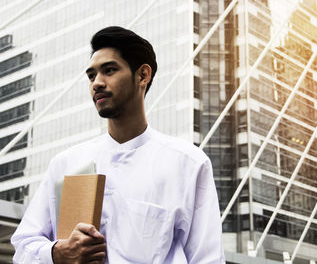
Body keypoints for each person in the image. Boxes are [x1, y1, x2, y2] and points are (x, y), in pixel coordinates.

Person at [11, 26, 225, 264]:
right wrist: (57, 253)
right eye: (92, 76)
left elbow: (208, 259)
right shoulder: (66, 164)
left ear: (143, 75)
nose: (96, 83)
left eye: (109, 71)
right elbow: (23, 247)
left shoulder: (188, 164)